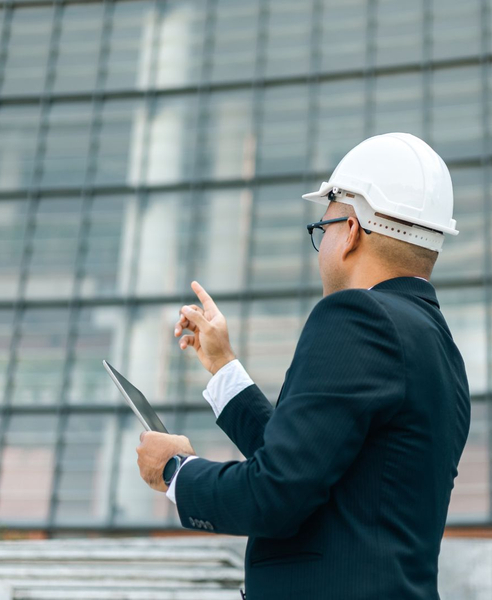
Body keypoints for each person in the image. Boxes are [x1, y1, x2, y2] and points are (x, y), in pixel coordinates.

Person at [136, 132, 471, 599]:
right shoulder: (441, 349)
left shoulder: (356, 316)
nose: (324, 240)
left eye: (324, 227)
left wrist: (175, 470)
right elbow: (308, 467)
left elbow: (274, 495)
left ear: (351, 231)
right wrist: (223, 365)